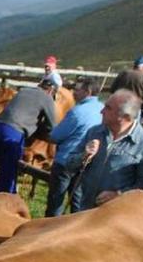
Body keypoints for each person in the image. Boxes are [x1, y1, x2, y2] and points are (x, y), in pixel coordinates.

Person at [68, 90, 143, 211]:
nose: (101, 111)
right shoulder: (94, 132)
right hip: (85, 211)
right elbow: (69, 165)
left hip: (115, 218)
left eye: (108, 108)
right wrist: (84, 155)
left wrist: (119, 195)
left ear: (125, 117)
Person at [44, 78, 103, 216]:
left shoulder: (77, 111)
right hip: (88, 160)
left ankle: (49, 228)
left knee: (56, 200)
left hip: (66, 159)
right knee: (78, 200)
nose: (73, 93)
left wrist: (51, 132)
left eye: (77, 90)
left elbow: (56, 136)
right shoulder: (102, 109)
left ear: (87, 92)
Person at [0, 78, 58, 193]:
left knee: (3, 168)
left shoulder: (23, 91)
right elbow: (52, 125)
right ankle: (5, 205)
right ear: (51, 90)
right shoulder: (47, 98)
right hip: (13, 133)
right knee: (9, 176)